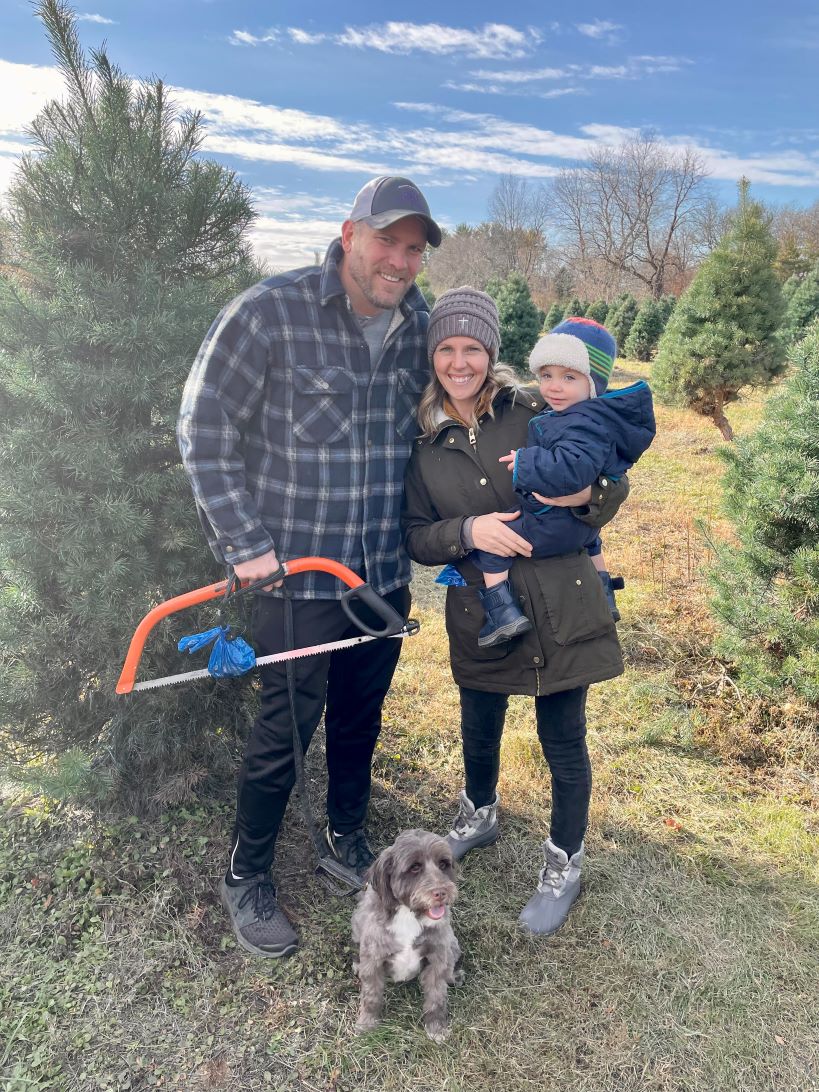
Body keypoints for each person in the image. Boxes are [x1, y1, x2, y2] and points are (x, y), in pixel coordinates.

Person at [177, 176, 442, 958]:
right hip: (295, 581)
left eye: (414, 248)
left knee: (361, 719)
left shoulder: (420, 324)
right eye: (387, 241)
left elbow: (466, 397)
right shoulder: (269, 312)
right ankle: (246, 872)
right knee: (281, 733)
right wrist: (246, 548)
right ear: (348, 234)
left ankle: (345, 836)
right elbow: (203, 425)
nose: (399, 260)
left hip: (379, 578)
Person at [401, 287, 630, 936]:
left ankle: (563, 864)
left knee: (563, 739)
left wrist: (591, 495)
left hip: (561, 599)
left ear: (491, 354)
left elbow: (613, 475)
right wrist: (468, 532)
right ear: (432, 356)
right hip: (482, 607)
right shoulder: (421, 442)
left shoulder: (533, 408)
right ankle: (478, 812)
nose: (459, 361)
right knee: (479, 720)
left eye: (471, 348)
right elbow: (416, 534)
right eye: (445, 349)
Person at [471, 317, 655, 648]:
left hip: (550, 524)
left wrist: (526, 462)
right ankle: (605, 593)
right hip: (580, 529)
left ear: (592, 383)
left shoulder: (582, 421)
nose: (554, 387)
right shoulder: (576, 413)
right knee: (593, 540)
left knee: (492, 546)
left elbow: (574, 470)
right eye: (546, 376)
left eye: (569, 377)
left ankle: (501, 612)